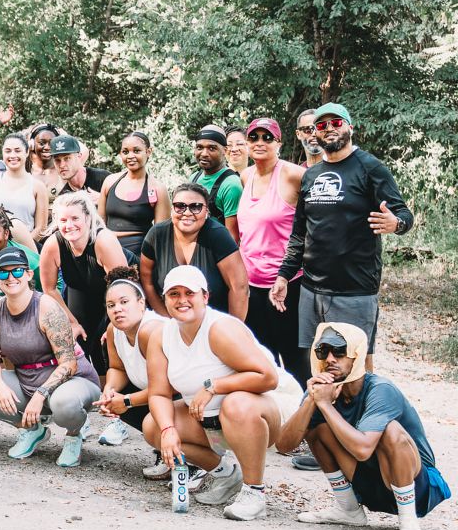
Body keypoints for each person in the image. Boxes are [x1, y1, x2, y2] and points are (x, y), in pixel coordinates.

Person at [144, 266, 303, 522]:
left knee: (236, 404)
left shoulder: (220, 328)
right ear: (165, 299)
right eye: (174, 294)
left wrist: (214, 386)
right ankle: (226, 475)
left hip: (268, 411)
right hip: (211, 419)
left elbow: (267, 377)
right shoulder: (161, 336)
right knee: (154, 425)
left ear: (205, 297)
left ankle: (254, 492)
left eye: (189, 293)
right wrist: (168, 430)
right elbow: (159, 394)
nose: (182, 300)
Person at [275, 323, 450, 530]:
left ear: (356, 356)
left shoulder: (380, 389)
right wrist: (311, 401)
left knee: (391, 430)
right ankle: (348, 509)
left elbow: (362, 450)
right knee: (316, 428)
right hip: (371, 483)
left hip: (418, 488)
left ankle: (409, 523)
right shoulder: (321, 389)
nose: (329, 359)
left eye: (339, 351)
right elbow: (283, 445)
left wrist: (325, 405)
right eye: (323, 351)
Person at [272, 103, 413, 376]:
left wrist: (396, 224)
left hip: (354, 290)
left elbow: (404, 213)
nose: (329, 129)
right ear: (315, 133)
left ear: (350, 127)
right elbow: (300, 233)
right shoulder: (311, 175)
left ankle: (364, 406)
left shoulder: (370, 167)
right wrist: (284, 275)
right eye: (321, 125)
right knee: (318, 364)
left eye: (336, 123)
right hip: (312, 290)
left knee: (355, 366)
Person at [0, 246, 102, 466]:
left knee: (64, 404)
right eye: (3, 273)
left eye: (17, 271)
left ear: (28, 274)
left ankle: (74, 435)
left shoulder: (46, 306)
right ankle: (32, 429)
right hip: (27, 377)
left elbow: (69, 364)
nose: (11, 277)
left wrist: (40, 395)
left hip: (72, 380)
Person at [237, 118, 308, 387]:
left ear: (279, 143)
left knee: (294, 358)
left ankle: (307, 410)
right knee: (263, 358)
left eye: (267, 138)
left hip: (285, 283)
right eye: (254, 137)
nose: (260, 143)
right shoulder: (245, 176)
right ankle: (275, 410)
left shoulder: (292, 175)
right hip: (251, 285)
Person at [37, 192, 131, 376]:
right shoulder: (53, 245)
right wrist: (72, 323)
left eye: (75, 218)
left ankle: (115, 386)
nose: (69, 225)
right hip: (81, 289)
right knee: (78, 340)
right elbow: (49, 289)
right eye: (63, 220)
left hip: (120, 290)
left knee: (106, 343)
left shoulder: (104, 241)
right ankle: (89, 385)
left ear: (88, 217)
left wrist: (113, 325)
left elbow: (123, 287)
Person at [95, 268, 169, 474]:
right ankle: (165, 450)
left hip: (182, 396)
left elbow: (169, 387)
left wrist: (126, 401)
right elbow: (117, 368)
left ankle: (191, 460)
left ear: (141, 303)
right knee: (115, 399)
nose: (117, 309)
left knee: (149, 422)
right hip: (153, 392)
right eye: (111, 305)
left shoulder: (150, 330)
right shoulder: (113, 330)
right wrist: (109, 390)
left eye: (124, 302)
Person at [140, 183, 248, 319]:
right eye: (180, 206)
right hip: (170, 319)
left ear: (206, 211)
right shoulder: (157, 235)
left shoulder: (218, 235)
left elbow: (239, 287)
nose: (187, 213)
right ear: (172, 209)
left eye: (196, 207)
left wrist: (231, 328)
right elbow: (147, 281)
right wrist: (166, 320)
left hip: (213, 321)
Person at [99, 131, 171, 256]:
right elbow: (99, 222)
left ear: (148, 152)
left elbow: (161, 234)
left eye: (136, 151)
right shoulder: (109, 182)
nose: (130, 156)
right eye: (125, 152)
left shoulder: (158, 189)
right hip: (108, 248)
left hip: (139, 253)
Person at [0, 134, 48, 240]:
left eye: (17, 151)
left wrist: (23, 245)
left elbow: (41, 228)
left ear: (27, 152)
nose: (12, 155)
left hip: (27, 246)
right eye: (8, 151)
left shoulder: (38, 186)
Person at [190, 125, 243, 240]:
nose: (204, 153)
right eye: (199, 147)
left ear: (225, 151)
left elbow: (232, 238)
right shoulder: (193, 178)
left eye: (211, 148)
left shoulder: (231, 185)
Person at [47, 135, 108, 200]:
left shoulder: (103, 179)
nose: (62, 165)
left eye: (67, 158)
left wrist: (103, 200)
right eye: (57, 160)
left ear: (79, 156)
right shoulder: (64, 198)